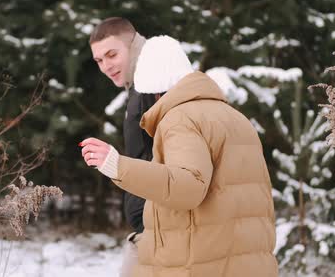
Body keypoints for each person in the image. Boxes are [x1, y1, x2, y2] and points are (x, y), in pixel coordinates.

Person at [80, 34, 278, 276]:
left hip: (200, 263)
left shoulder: (180, 119)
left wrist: (117, 165)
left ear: (153, 91)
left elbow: (188, 186)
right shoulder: (236, 119)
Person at [88, 17, 157, 275]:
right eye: (99, 60)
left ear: (133, 45)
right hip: (148, 229)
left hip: (160, 231)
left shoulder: (152, 88)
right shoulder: (139, 89)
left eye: (112, 54)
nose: (106, 66)